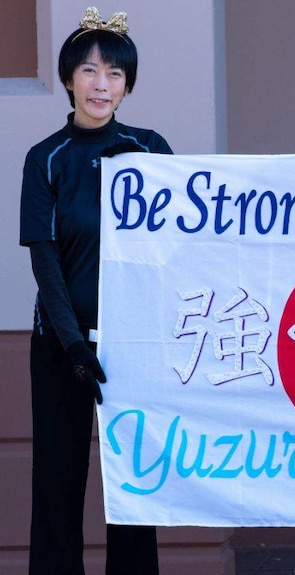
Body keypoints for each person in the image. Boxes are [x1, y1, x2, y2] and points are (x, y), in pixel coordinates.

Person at [18, 7, 172, 574]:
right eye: (88, 70)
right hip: (61, 345)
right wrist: (73, 343)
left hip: (134, 347)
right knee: (58, 480)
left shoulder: (151, 150)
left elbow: (174, 248)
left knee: (132, 484)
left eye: (113, 73)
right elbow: (45, 259)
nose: (100, 84)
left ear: (127, 85)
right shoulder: (45, 158)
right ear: (68, 79)